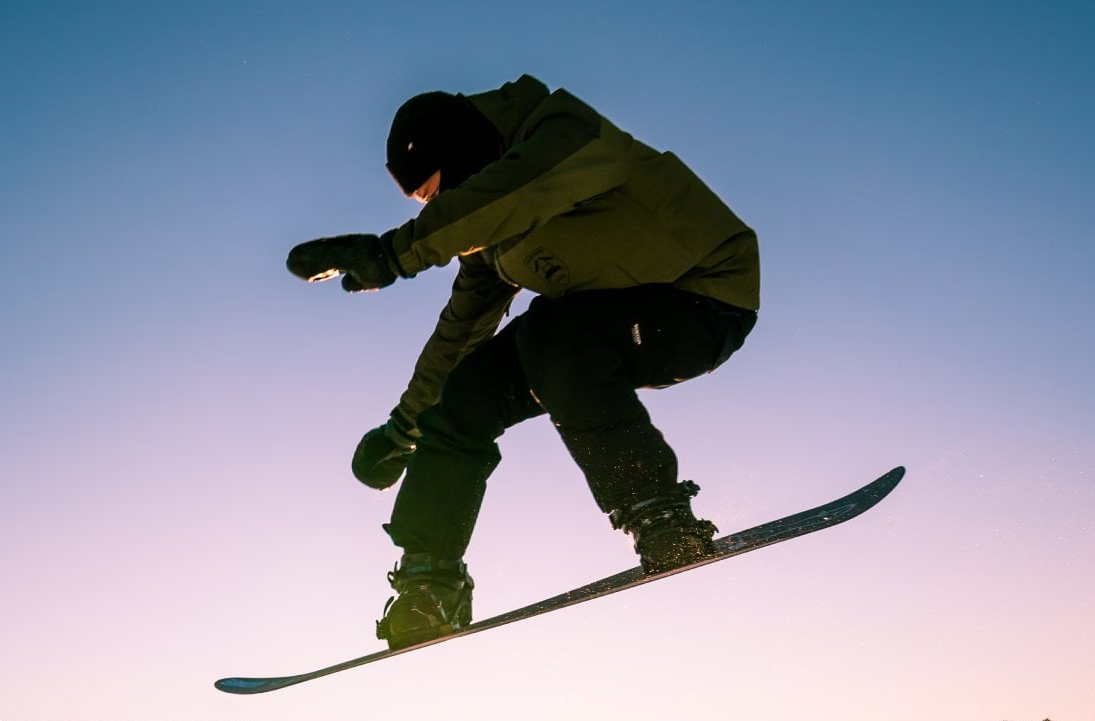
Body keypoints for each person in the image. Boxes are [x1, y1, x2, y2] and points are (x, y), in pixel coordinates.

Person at [287, 75, 760, 649]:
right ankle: (429, 581)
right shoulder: (487, 240)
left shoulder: (565, 133)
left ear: (465, 155)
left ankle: (657, 511)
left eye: (438, 194)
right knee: (465, 393)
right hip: (592, 329)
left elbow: (517, 189)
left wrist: (395, 252)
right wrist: (404, 427)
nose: (441, 208)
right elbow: (458, 335)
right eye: (430, 204)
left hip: (706, 298)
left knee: (553, 334)